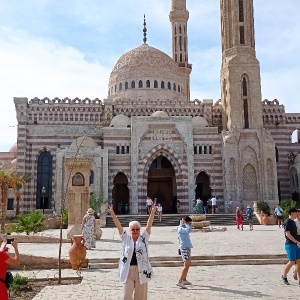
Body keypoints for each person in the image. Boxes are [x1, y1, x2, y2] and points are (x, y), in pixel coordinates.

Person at [108, 203, 157, 300]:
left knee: (140, 297)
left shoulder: (143, 238)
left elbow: (149, 226)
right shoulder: (126, 238)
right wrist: (112, 214)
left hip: (141, 270)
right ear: (130, 230)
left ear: (139, 230)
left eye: (137, 229)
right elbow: (119, 227)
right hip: (128, 270)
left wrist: (152, 212)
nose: (135, 231)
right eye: (133, 229)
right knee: (127, 296)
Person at [281, 207, 300, 285]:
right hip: (290, 244)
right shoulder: (288, 221)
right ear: (292, 213)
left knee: (299, 262)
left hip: (297, 244)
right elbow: (287, 233)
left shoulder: (293, 222)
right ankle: (284, 276)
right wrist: (296, 241)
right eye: (296, 213)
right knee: (292, 261)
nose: (297, 214)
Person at [177, 216, 193, 289]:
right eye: (189, 223)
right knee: (186, 264)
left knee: (188, 263)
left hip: (187, 247)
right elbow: (189, 230)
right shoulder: (181, 228)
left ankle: (184, 279)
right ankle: (180, 281)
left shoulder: (183, 227)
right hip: (184, 248)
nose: (190, 224)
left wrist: (185, 223)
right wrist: (185, 223)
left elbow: (190, 229)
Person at [293, 210, 300, 280]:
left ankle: (295, 270)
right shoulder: (295, 222)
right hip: (297, 239)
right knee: (298, 258)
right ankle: (296, 271)